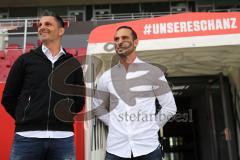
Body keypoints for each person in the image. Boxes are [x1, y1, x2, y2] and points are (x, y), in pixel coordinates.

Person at [1, 14, 85, 160]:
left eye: (48, 24)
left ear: (60, 31)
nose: (42, 27)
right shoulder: (25, 60)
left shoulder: (73, 64)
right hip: (27, 137)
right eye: (40, 25)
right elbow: (8, 97)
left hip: (63, 138)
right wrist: (26, 117)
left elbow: (79, 101)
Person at [93, 26, 177, 160]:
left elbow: (169, 107)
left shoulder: (153, 72)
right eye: (116, 39)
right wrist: (113, 123)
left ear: (136, 42)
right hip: (116, 150)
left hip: (148, 148)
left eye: (124, 38)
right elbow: (97, 106)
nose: (119, 41)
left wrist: (152, 126)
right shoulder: (106, 77)